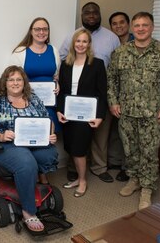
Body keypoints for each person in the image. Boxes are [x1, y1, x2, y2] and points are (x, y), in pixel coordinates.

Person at [107, 12, 160, 210]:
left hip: (152, 113)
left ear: (152, 27)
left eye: (145, 25)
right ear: (132, 28)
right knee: (130, 149)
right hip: (126, 112)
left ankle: (147, 188)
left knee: (149, 151)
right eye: (137, 25)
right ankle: (134, 179)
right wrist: (113, 102)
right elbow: (112, 81)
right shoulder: (120, 52)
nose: (140, 29)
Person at [0, 65, 58, 233]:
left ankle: (26, 181)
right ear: (5, 83)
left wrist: (50, 135)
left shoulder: (33, 98)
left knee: (50, 154)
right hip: (1, 145)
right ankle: (29, 211)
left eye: (18, 79)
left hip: (32, 143)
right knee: (25, 162)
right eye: (11, 79)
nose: (15, 83)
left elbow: (47, 122)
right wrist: (0, 136)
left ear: (24, 82)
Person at [59, 2, 120, 183]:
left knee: (99, 137)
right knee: (74, 138)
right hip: (73, 105)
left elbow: (116, 64)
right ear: (82, 15)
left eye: (94, 12)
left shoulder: (111, 38)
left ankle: (99, 168)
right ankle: (73, 168)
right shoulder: (70, 41)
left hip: (96, 97)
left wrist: (101, 112)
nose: (91, 15)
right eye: (87, 12)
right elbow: (63, 65)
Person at [57, 29, 107, 198]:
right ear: (73, 43)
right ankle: (78, 178)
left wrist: (100, 116)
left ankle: (82, 180)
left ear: (89, 44)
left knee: (79, 149)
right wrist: (59, 110)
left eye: (84, 41)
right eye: (78, 41)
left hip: (86, 115)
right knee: (71, 146)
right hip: (68, 114)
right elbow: (62, 91)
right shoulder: (65, 64)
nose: (81, 44)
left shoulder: (97, 64)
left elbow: (102, 93)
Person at [9, 17, 61, 132]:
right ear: (31, 31)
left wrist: (57, 84)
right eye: (37, 29)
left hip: (49, 104)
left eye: (45, 29)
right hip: (27, 103)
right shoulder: (20, 52)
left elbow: (56, 77)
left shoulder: (54, 51)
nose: (41, 32)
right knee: (30, 133)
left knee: (50, 135)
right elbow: (11, 80)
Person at [107, 11, 135, 182]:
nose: (119, 26)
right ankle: (115, 161)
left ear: (128, 24)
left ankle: (127, 167)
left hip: (134, 97)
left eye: (122, 22)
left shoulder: (137, 42)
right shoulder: (111, 43)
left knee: (130, 134)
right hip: (115, 94)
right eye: (114, 24)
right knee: (116, 130)